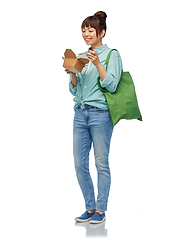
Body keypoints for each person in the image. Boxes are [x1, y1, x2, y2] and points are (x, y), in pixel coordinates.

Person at [65, 11, 122, 224]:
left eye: (90, 30)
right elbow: (75, 91)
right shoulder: (80, 56)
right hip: (80, 114)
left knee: (101, 163)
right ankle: (89, 208)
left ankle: (101, 209)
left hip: (101, 115)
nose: (86, 33)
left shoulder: (111, 55)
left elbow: (112, 84)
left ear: (102, 32)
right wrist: (72, 73)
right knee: (79, 164)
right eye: (83, 30)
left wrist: (98, 64)